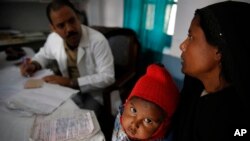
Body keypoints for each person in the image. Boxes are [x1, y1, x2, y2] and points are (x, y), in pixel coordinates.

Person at [19, 0, 114, 115]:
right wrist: (34, 65)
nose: (69, 29)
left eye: (72, 20)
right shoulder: (53, 38)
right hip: (68, 90)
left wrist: (71, 82)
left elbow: (108, 77)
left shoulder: (98, 40)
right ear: (53, 28)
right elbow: (44, 55)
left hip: (94, 94)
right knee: (49, 114)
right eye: (61, 25)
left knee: (82, 121)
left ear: (78, 17)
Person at [173, 1, 250, 141]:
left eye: (191, 37)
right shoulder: (194, 89)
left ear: (219, 51)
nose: (182, 45)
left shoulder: (233, 120)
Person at [112, 63, 179, 141]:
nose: (134, 124)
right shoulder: (121, 115)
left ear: (161, 127)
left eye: (148, 120)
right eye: (133, 110)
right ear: (126, 103)